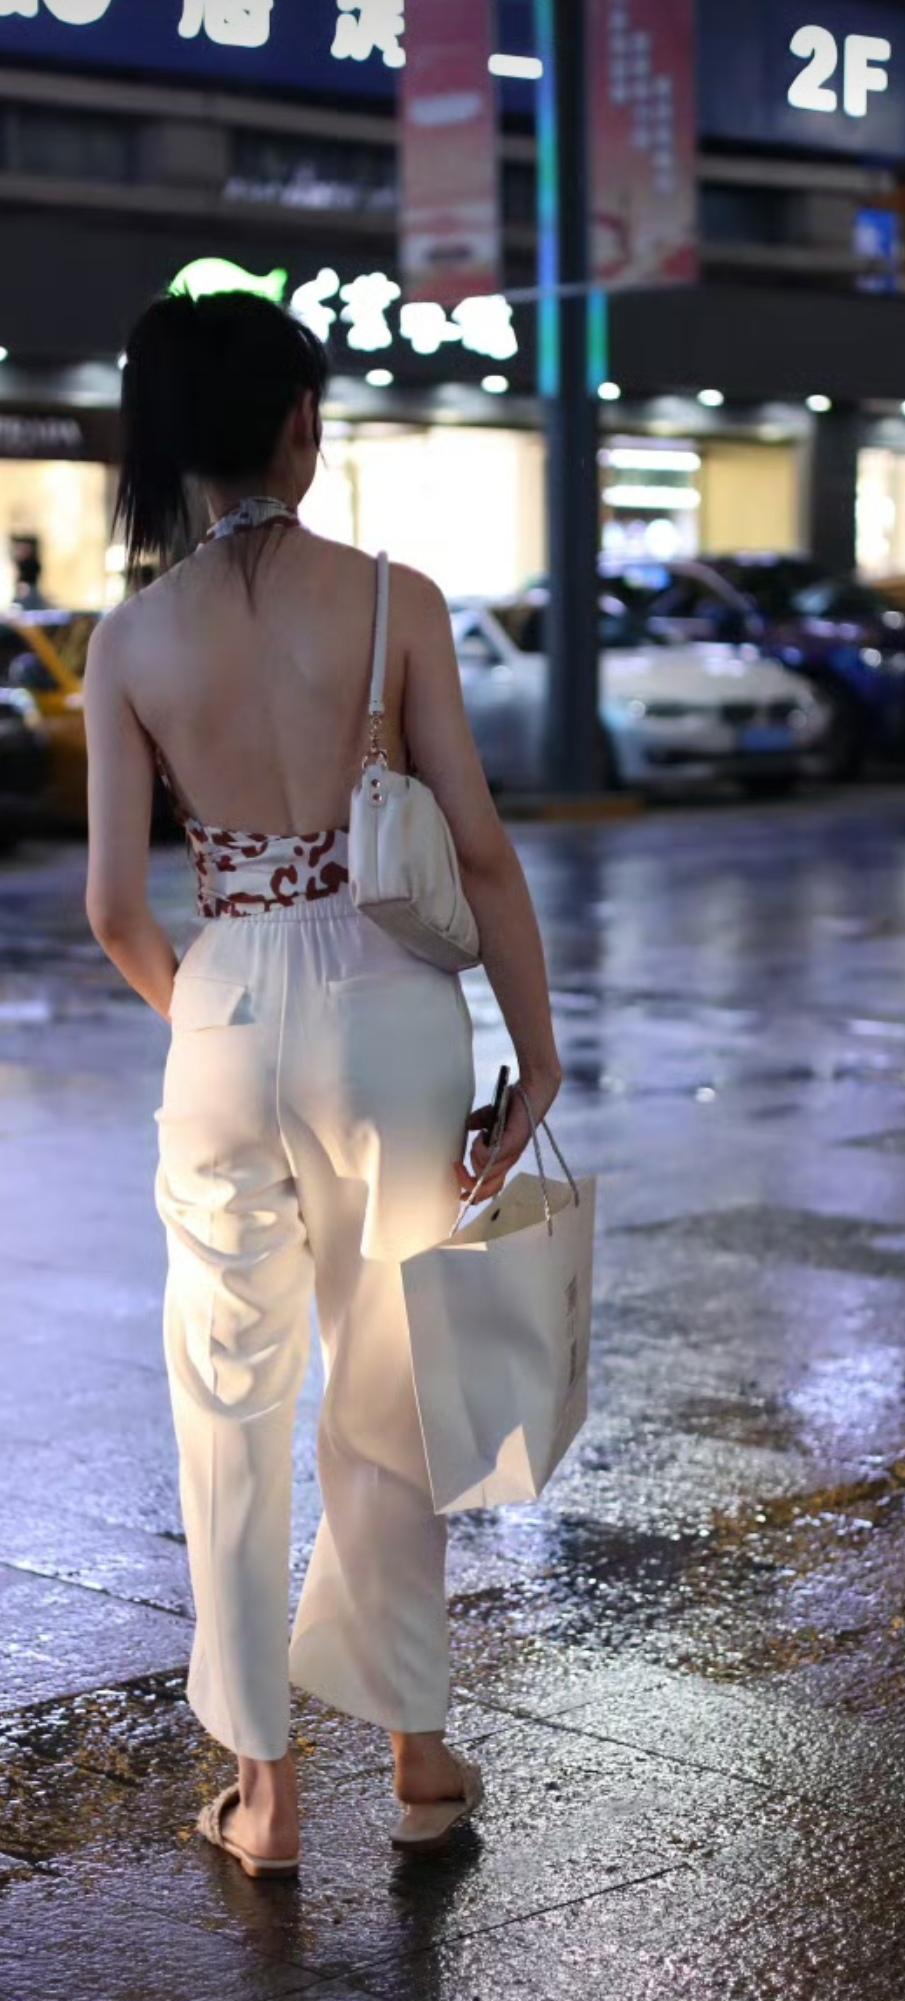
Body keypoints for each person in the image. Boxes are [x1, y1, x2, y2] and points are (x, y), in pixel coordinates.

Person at [83, 289, 562, 1877]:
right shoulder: (393, 601)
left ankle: (266, 1799)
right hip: (390, 1010)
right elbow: (477, 850)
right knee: (390, 1384)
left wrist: (216, 1022)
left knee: (228, 1404)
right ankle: (419, 1757)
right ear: (301, 423)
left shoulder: (131, 639)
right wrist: (537, 1047)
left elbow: (115, 909)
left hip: (223, 999)